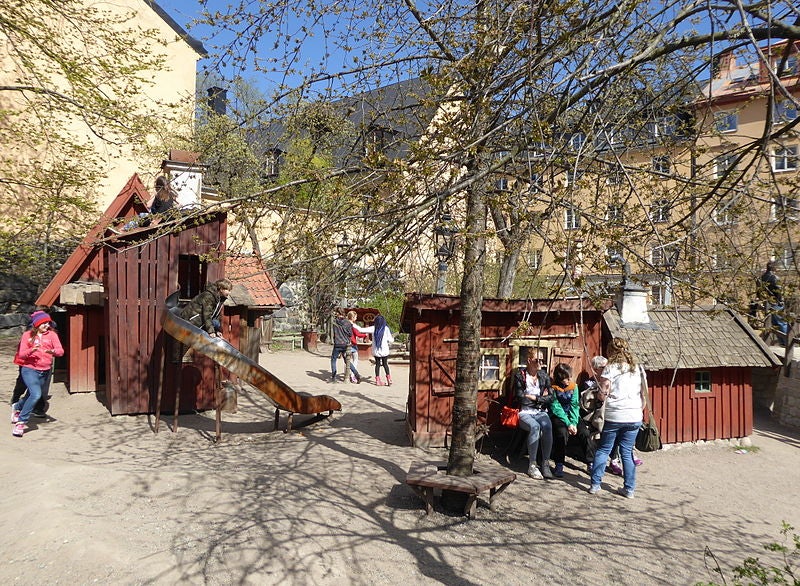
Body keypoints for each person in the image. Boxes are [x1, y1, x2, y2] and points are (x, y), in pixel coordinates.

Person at [588, 337, 644, 498]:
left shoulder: (610, 369)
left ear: (611, 352)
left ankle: (595, 484)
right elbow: (643, 395)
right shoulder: (637, 368)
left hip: (615, 415)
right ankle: (629, 489)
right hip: (634, 415)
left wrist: (599, 397)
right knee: (626, 452)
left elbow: (603, 393)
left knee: (604, 449)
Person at [12, 312, 64, 437]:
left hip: (45, 370)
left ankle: (17, 406)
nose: (47, 325)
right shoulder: (27, 335)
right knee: (36, 395)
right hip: (29, 369)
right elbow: (21, 354)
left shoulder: (52, 335)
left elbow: (60, 351)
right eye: (44, 323)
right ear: (37, 324)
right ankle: (21, 422)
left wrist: (53, 351)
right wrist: (31, 350)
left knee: (31, 395)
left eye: (48, 323)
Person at [513, 353, 554, 479]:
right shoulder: (520, 376)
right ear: (529, 360)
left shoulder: (543, 376)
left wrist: (535, 398)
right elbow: (521, 399)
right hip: (525, 412)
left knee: (547, 427)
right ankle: (532, 465)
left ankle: (545, 463)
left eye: (542, 359)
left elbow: (551, 397)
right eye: (537, 360)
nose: (540, 362)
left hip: (540, 411)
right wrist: (542, 398)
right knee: (535, 427)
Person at [10, 309, 52, 417]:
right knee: (24, 382)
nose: (47, 325)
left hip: (42, 362)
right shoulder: (30, 332)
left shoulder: (49, 329)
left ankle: (37, 407)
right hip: (27, 362)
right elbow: (22, 349)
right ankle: (16, 400)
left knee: (39, 385)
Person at [579, 355, 608, 473]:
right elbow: (586, 403)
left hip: (606, 414)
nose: (606, 370)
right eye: (603, 367)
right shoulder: (589, 383)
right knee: (588, 431)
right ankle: (590, 462)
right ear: (596, 369)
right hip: (590, 415)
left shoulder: (609, 382)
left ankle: (614, 460)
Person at [549, 363, 579, 478]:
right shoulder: (554, 388)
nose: (569, 380)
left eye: (569, 377)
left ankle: (589, 461)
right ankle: (559, 463)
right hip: (558, 416)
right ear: (560, 377)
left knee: (584, 433)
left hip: (572, 416)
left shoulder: (573, 387)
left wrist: (574, 423)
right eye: (566, 378)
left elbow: (575, 405)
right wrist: (568, 423)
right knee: (561, 433)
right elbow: (556, 407)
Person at [354, 315, 394, 385]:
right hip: (384, 351)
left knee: (377, 364)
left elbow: (361, 329)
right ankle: (389, 379)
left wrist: (352, 324)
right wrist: (390, 339)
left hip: (376, 351)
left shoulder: (373, 328)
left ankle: (378, 380)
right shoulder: (386, 329)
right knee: (385, 364)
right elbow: (391, 340)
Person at [758, 261, 789, 346]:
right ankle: (787, 342)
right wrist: (781, 301)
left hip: (767, 303)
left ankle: (782, 341)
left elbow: (759, 291)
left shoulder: (762, 277)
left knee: (775, 323)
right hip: (776, 303)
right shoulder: (775, 278)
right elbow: (778, 291)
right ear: (774, 268)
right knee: (782, 322)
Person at [331, 308, 360, 383]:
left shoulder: (334, 322)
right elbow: (350, 334)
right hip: (345, 344)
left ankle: (334, 376)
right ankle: (356, 374)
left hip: (337, 344)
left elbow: (333, 333)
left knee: (333, 359)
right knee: (347, 360)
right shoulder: (348, 323)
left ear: (337, 313)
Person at [346, 311, 368, 383]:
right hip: (353, 344)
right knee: (355, 360)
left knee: (347, 361)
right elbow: (358, 334)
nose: (356, 318)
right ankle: (353, 375)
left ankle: (346, 375)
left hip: (345, 344)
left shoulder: (344, 324)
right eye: (355, 317)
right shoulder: (353, 326)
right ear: (352, 317)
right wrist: (365, 335)